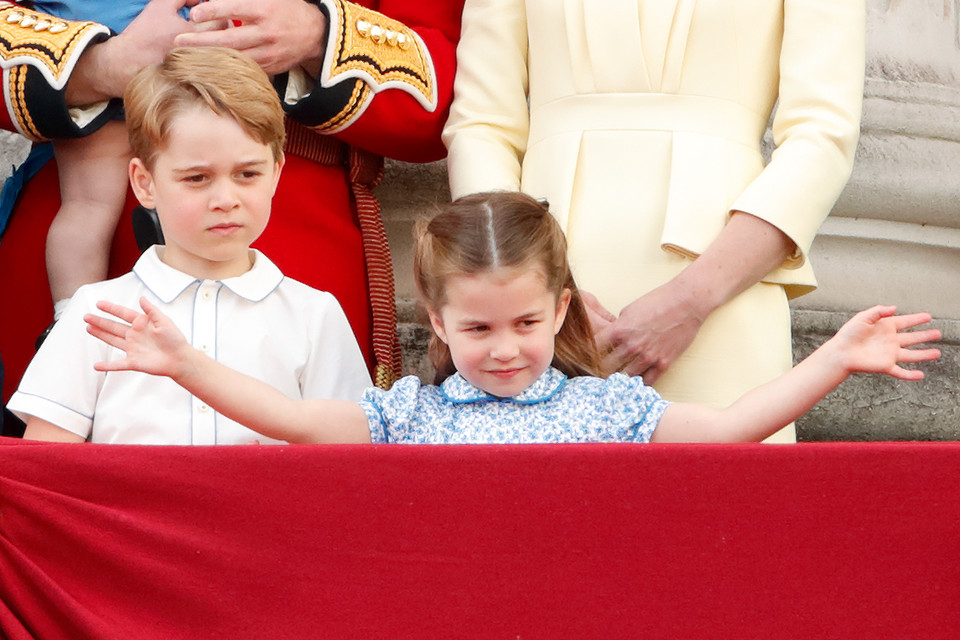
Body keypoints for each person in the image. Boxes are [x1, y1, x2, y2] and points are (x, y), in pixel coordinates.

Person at [82, 192, 940, 445]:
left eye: (527, 323)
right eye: (480, 329)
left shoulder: (604, 408)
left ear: (562, 307)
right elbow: (297, 419)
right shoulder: (406, 417)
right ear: (438, 321)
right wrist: (185, 362)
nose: (505, 349)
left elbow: (726, 429)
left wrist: (834, 357)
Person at [0, 0, 463, 414]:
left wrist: (318, 36)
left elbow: (444, 91)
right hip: (83, 214)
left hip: (293, 229)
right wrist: (100, 65)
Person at [441, 1, 865, 442]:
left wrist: (692, 300)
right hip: (539, 302)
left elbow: (823, 136)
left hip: (725, 289)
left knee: (727, 500)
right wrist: (529, 290)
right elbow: (480, 126)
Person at [7, 47, 371, 444]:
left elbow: (350, 456)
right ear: (145, 183)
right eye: (197, 178)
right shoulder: (96, 313)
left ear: (275, 173)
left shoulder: (314, 315)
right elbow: (48, 465)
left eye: (247, 173)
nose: (225, 199)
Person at [27, 0, 193, 331]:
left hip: (88, 51)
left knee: (87, 208)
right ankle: (73, 327)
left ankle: (70, 325)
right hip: (169, 67)